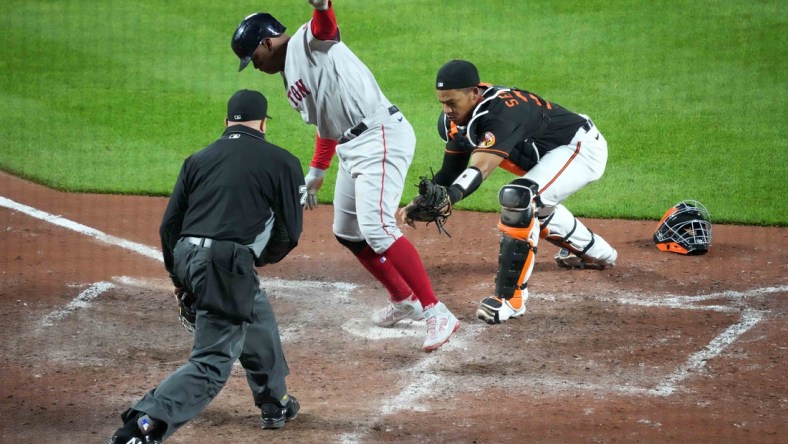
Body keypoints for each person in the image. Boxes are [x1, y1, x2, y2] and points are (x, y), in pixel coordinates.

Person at [230, 0, 460, 352]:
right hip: (351, 146)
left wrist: (322, 4)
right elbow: (327, 124)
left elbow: (325, 26)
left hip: (379, 135)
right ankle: (404, 300)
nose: (255, 66)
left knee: (378, 227)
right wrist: (317, 171)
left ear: (266, 42)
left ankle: (436, 311)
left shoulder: (308, 42)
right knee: (348, 231)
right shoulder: (289, 76)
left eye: (253, 57)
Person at [108, 89, 305, 443]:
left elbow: (169, 226)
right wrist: (253, 258)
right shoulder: (283, 161)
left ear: (227, 121)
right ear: (263, 124)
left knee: (254, 309)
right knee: (212, 364)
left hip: (186, 254)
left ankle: (275, 400)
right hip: (224, 263)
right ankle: (141, 428)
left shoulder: (198, 159)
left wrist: (179, 278)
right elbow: (289, 233)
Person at [402, 60, 617, 325]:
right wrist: (421, 201)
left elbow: (481, 166)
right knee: (535, 206)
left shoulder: (502, 112)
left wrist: (453, 197)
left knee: (519, 198)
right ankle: (600, 253)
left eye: (452, 102)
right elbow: (450, 173)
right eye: (442, 103)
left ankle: (510, 300)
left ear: (474, 93)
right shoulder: (456, 119)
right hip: (551, 157)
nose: (447, 110)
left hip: (581, 149)